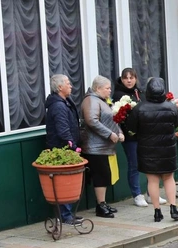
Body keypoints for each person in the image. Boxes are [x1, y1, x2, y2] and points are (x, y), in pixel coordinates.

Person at [126, 78, 178, 222]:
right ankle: (173, 207)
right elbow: (177, 123)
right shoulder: (171, 107)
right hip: (167, 148)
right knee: (169, 178)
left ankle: (157, 211)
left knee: (152, 180)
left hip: (147, 148)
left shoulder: (139, 108)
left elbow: (131, 127)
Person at [113, 68, 160, 208]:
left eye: (131, 78)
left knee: (148, 163)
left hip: (144, 135)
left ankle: (151, 193)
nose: (129, 80)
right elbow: (118, 117)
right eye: (126, 78)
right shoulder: (118, 95)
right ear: (121, 79)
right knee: (134, 164)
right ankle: (137, 195)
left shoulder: (139, 93)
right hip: (129, 136)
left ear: (136, 79)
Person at [80, 75, 124, 218]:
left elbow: (113, 120)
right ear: (98, 88)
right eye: (107, 88)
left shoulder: (103, 101)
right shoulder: (91, 100)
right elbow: (92, 121)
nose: (110, 91)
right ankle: (100, 206)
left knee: (105, 176)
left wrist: (119, 132)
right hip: (95, 147)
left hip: (105, 147)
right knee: (100, 176)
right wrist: (110, 134)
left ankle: (103, 203)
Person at [44, 74, 83, 226]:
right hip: (62, 149)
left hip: (67, 148)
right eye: (68, 83)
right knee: (64, 183)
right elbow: (63, 131)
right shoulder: (59, 106)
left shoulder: (65, 102)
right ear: (60, 87)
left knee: (67, 182)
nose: (71, 85)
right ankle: (65, 216)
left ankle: (67, 214)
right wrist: (73, 146)